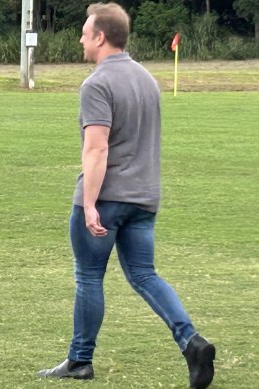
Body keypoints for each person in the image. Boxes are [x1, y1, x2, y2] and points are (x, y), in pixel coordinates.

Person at [36, 3, 216, 389]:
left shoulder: (97, 84)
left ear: (100, 36)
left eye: (85, 32)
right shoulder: (148, 79)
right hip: (144, 198)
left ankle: (80, 360)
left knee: (88, 277)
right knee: (144, 274)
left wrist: (88, 202)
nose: (81, 39)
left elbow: (97, 149)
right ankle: (191, 341)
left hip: (107, 197)